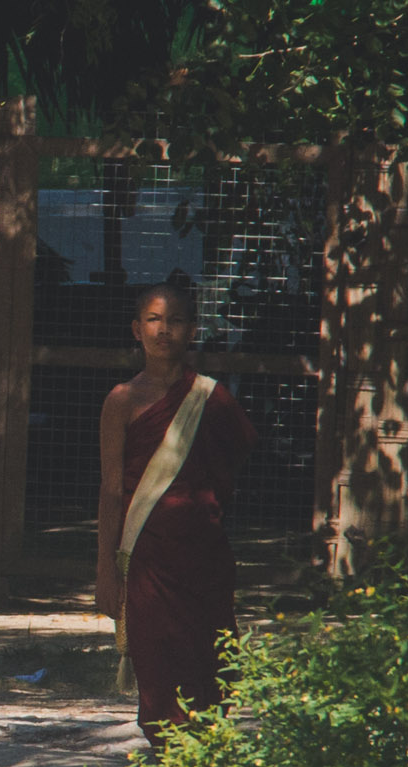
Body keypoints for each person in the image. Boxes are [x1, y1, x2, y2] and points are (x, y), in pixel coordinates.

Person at [96, 282, 257, 738]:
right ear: (136, 329)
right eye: (153, 320)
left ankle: (206, 758)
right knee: (159, 665)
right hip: (147, 558)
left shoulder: (212, 398)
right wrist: (106, 572)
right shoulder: (122, 400)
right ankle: (172, 760)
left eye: (175, 321)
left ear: (192, 331)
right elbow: (110, 490)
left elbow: (233, 460)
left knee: (210, 662)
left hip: (205, 556)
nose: (163, 330)